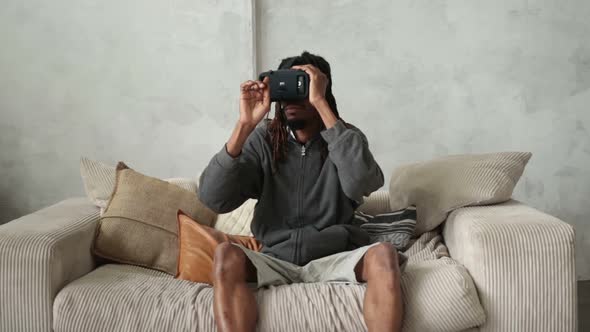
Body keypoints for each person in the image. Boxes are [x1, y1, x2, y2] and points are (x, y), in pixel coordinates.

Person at [199, 51, 406, 332]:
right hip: (275, 259)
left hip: (335, 256)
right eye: (284, 87)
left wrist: (321, 103)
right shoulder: (264, 140)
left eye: (301, 85)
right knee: (226, 254)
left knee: (383, 253)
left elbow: (361, 183)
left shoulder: (345, 138)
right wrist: (244, 126)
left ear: (321, 89)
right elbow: (213, 199)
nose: (290, 99)